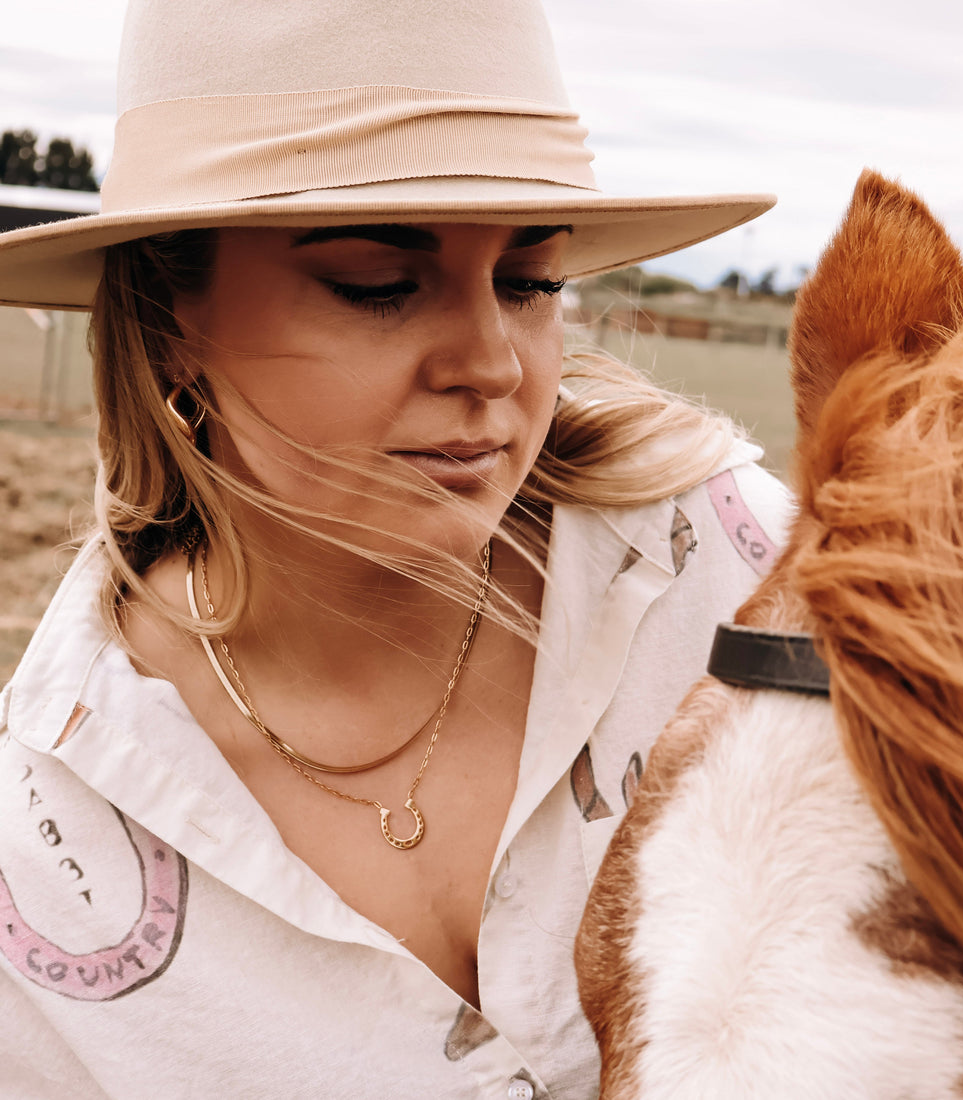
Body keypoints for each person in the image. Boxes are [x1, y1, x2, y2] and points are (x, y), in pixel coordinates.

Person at [0, 0, 791, 1095]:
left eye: (530, 281)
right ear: (168, 314)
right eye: (378, 284)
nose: (491, 363)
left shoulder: (745, 581)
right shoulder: (42, 859)